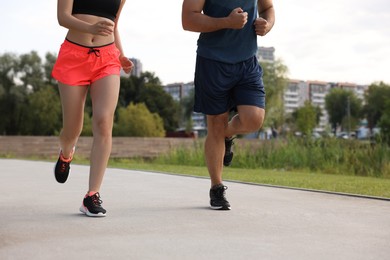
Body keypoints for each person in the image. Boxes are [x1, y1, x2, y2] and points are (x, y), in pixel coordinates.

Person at [182, 0, 275, 210]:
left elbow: (268, 8)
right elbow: (188, 19)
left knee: (254, 119)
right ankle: (217, 187)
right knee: (215, 123)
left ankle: (227, 134)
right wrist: (226, 22)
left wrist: (267, 24)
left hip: (247, 61)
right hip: (212, 61)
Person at [52, 0, 133, 217]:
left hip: (107, 58)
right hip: (74, 56)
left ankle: (92, 195)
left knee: (103, 122)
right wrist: (89, 28)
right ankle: (66, 154)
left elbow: (114, 25)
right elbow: (63, 17)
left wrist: (121, 54)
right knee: (72, 128)